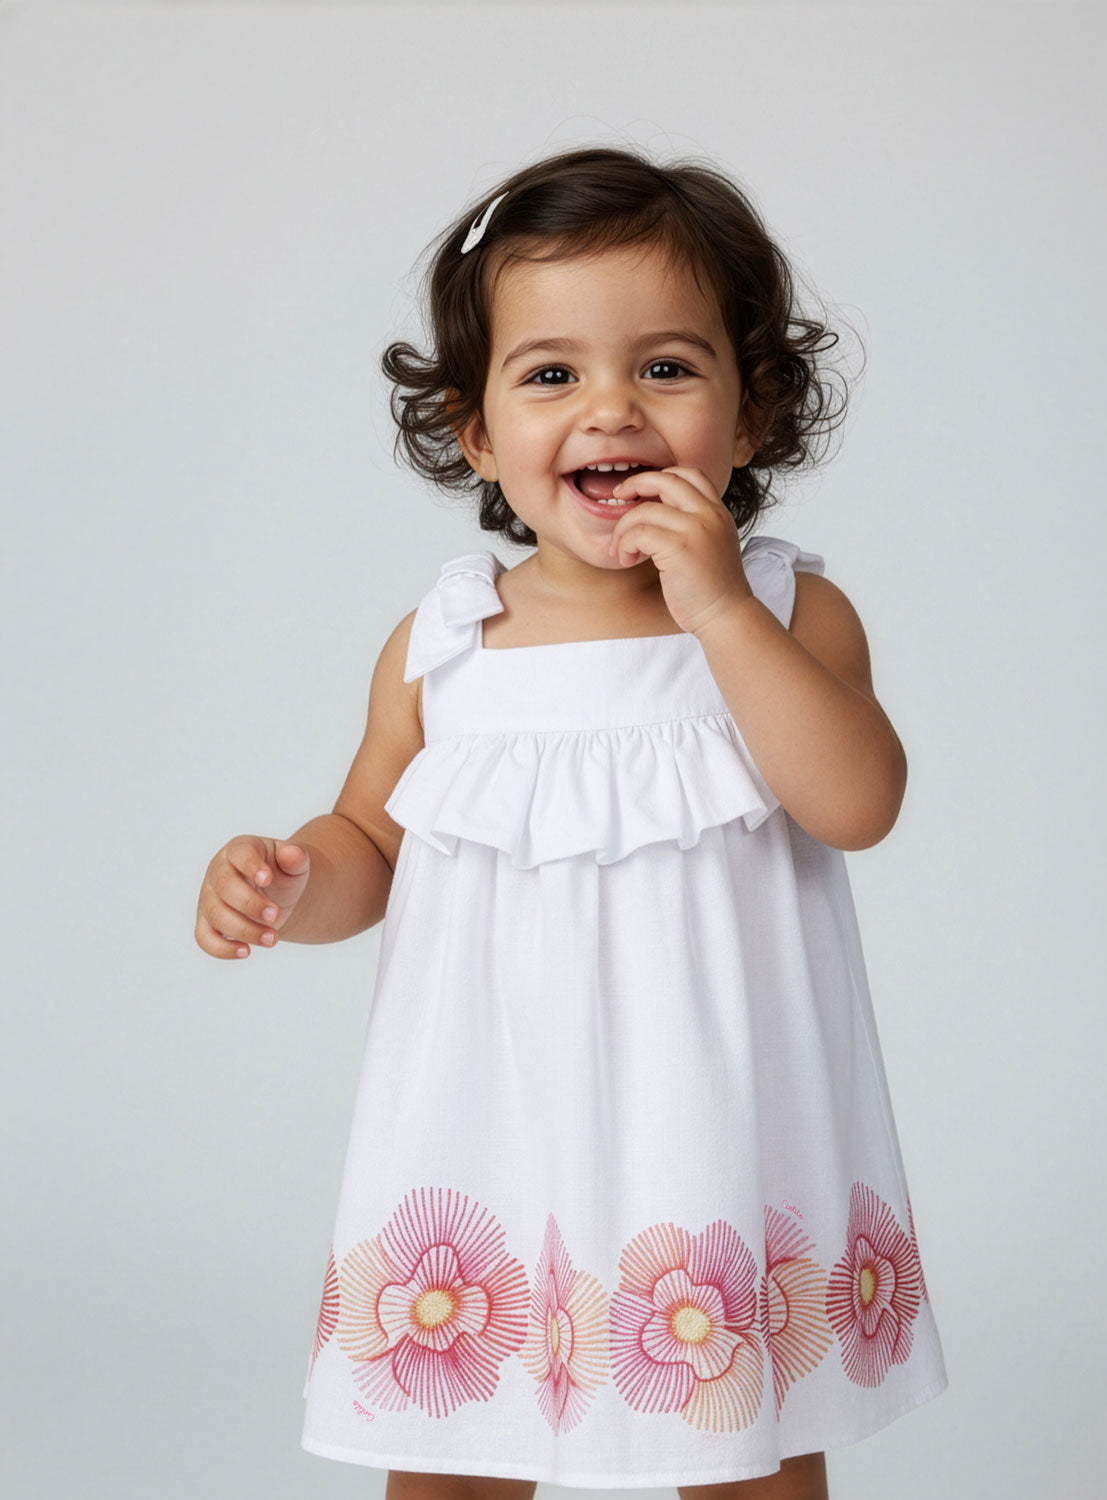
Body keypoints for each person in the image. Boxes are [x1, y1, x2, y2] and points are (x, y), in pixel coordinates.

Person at [195, 144, 949, 1500]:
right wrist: (294, 883)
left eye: (666, 366)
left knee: (742, 1427)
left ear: (752, 410)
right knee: (455, 1433)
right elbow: (373, 841)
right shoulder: (445, 646)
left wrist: (718, 610)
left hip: (714, 1110)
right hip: (489, 1111)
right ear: (477, 433)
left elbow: (857, 803)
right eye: (552, 375)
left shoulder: (787, 615)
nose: (613, 408)